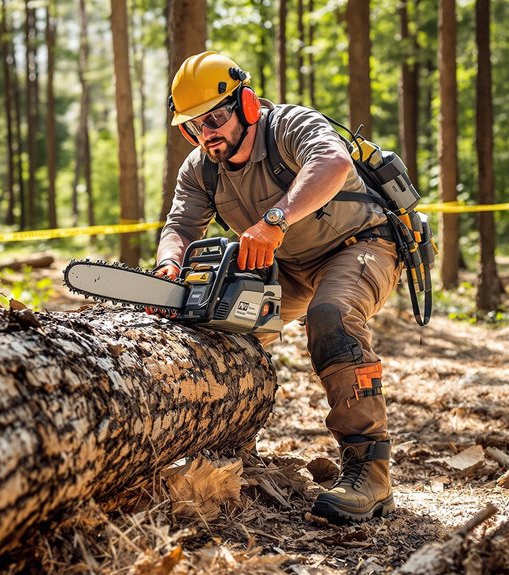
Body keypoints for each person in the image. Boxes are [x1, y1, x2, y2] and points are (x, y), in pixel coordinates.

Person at [155, 51, 403, 524]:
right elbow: (180, 225)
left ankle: (370, 473)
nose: (207, 133)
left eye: (216, 118)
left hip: (360, 244)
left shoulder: (289, 125)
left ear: (246, 104)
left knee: (330, 315)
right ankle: (231, 444)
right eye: (195, 126)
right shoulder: (201, 168)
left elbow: (330, 161)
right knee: (226, 327)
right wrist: (170, 262)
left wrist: (275, 220)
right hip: (286, 265)